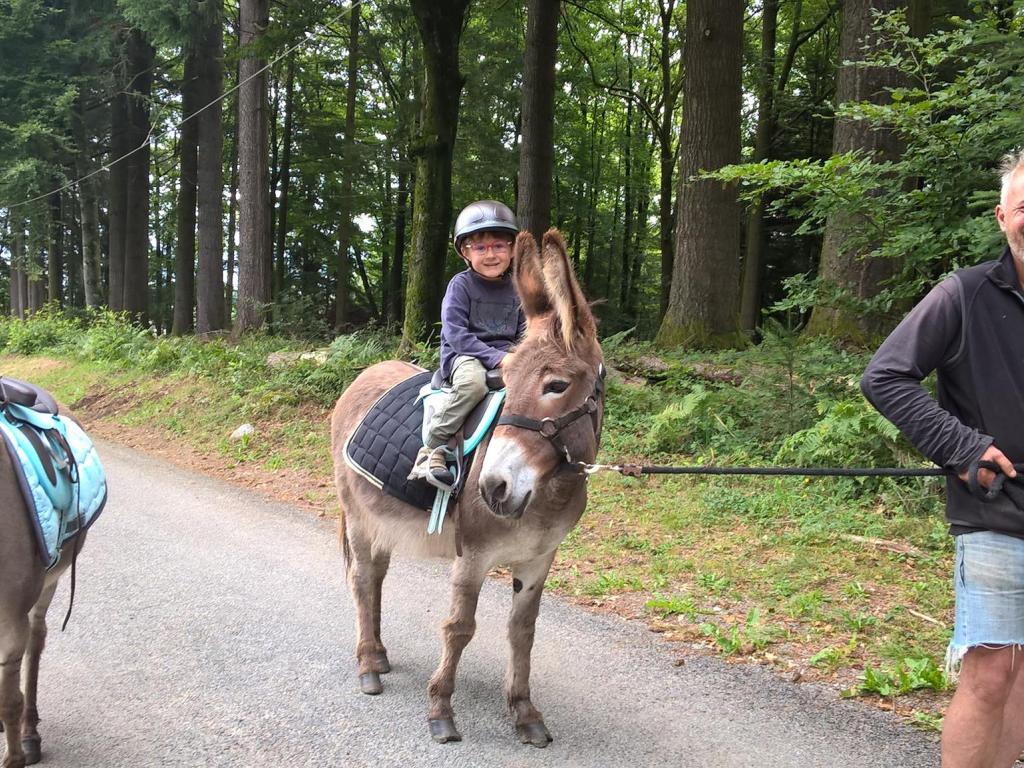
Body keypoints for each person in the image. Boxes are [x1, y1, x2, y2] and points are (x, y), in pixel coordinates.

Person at [861, 149, 1024, 768]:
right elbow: (886, 377)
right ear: (1002, 216)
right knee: (990, 673)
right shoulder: (964, 294)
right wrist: (962, 447)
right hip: (996, 516)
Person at [408, 200, 525, 488]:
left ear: (511, 250)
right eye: (481, 248)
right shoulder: (461, 286)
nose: (491, 254)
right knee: (474, 384)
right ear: (465, 251)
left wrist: (523, 355)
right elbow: (457, 334)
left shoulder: (517, 289)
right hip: (466, 355)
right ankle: (432, 447)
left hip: (506, 354)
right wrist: (497, 358)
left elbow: (524, 331)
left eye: (499, 246)